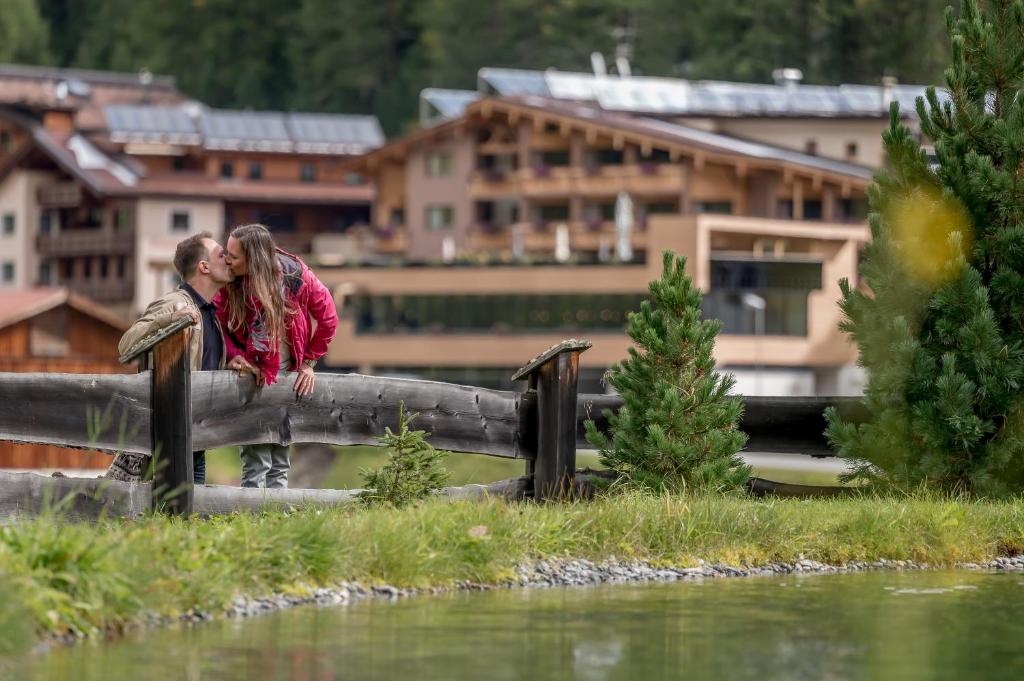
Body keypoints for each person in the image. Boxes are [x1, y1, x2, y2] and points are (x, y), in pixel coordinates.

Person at [216, 223, 338, 489]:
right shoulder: (230, 282)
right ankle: (251, 523)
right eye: (226, 253)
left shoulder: (296, 276)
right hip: (252, 377)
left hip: (287, 378)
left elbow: (328, 318)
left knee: (280, 463)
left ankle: (274, 523)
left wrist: (309, 362)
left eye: (233, 256)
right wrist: (234, 355)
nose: (226, 260)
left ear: (254, 258)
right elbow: (217, 323)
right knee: (255, 461)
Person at [106, 232, 233, 483]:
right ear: (203, 266)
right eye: (221, 254)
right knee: (159, 508)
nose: (228, 259)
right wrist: (171, 319)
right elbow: (126, 344)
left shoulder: (211, 314)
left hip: (195, 434)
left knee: (186, 513)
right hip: (168, 432)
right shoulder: (174, 303)